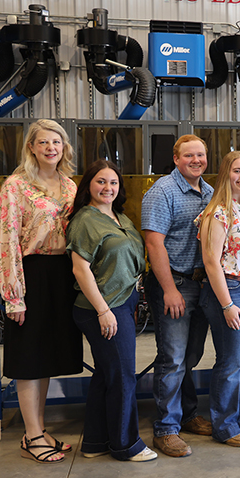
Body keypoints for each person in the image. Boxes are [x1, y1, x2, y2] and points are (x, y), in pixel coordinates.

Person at [0, 119, 82, 464]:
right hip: (31, 272)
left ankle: (40, 428)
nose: (51, 148)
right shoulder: (15, 186)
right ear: (31, 147)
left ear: (64, 148)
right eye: (43, 143)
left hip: (62, 273)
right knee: (29, 358)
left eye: (56, 143)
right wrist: (14, 295)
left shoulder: (70, 185)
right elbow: (6, 241)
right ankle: (31, 436)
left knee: (46, 356)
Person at [67, 160, 156, 462]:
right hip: (103, 307)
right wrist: (103, 310)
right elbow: (80, 269)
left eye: (113, 182)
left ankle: (94, 442)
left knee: (106, 375)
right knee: (122, 377)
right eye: (101, 182)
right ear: (89, 185)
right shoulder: (85, 220)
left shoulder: (119, 217)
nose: (108, 188)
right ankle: (125, 444)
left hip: (123, 301)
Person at [142, 135, 214, 458]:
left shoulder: (210, 192)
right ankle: (166, 429)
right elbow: (154, 244)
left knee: (190, 356)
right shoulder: (162, 192)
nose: (196, 160)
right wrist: (169, 289)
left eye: (201, 155)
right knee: (172, 358)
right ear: (176, 158)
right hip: (174, 284)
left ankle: (186, 414)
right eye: (189, 155)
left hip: (202, 285)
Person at [198, 151, 240, 447]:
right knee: (229, 362)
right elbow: (211, 261)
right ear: (226, 175)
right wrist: (227, 304)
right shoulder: (218, 211)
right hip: (230, 290)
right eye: (237, 171)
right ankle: (224, 426)